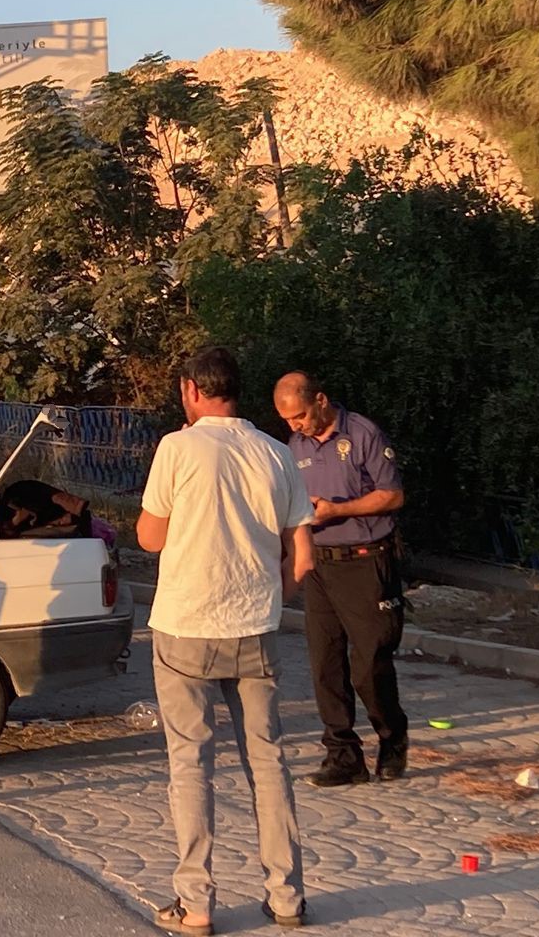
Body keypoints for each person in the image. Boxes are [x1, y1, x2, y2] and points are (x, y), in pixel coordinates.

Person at [137, 347, 313, 934]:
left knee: (191, 763)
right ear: (239, 391)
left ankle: (197, 904)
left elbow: (150, 539)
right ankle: (287, 897)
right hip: (255, 628)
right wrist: (272, 598)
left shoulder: (177, 449)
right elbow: (302, 557)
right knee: (269, 762)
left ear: (191, 390)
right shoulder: (276, 453)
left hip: (185, 625)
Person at [273, 372, 410, 787]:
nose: (296, 426)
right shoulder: (293, 447)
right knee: (325, 665)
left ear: (320, 399)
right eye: (288, 421)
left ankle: (392, 737)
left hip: (366, 561)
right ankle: (343, 754)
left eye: (300, 416)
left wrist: (338, 510)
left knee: (368, 664)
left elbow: (393, 495)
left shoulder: (363, 434)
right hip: (319, 564)